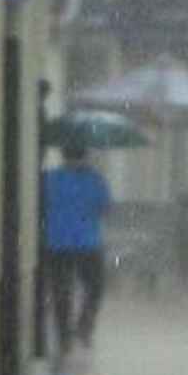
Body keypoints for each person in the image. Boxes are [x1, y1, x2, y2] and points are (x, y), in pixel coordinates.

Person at [42, 143, 112, 357]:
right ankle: (84, 326)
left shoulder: (50, 179)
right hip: (87, 243)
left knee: (61, 291)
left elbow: (41, 206)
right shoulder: (95, 180)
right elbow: (106, 208)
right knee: (96, 287)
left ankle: (64, 338)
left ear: (63, 155)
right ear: (86, 155)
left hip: (57, 243)